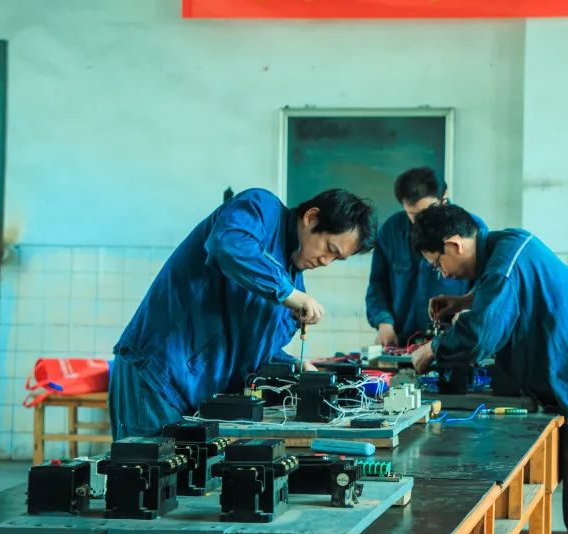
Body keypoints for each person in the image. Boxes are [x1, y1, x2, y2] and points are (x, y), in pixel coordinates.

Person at [408, 205, 568, 534]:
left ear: (454, 244)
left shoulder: (505, 261)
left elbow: (482, 336)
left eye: (437, 263)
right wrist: (466, 302)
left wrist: (435, 349)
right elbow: (504, 292)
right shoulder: (506, 247)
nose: (441, 274)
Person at [109, 188, 377, 439]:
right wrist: (287, 292)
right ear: (311, 217)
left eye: (337, 259)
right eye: (330, 249)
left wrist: (293, 366)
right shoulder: (260, 208)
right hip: (158, 376)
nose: (326, 262)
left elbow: (257, 350)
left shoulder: (294, 281)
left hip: (199, 398)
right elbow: (227, 245)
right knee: (145, 468)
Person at [365, 167, 483, 349]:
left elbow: (483, 286)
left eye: (428, 210)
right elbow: (377, 284)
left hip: (450, 340)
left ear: (444, 197)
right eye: (414, 215)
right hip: (403, 341)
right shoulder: (391, 230)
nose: (422, 220)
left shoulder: (470, 228)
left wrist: (465, 312)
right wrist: (384, 322)